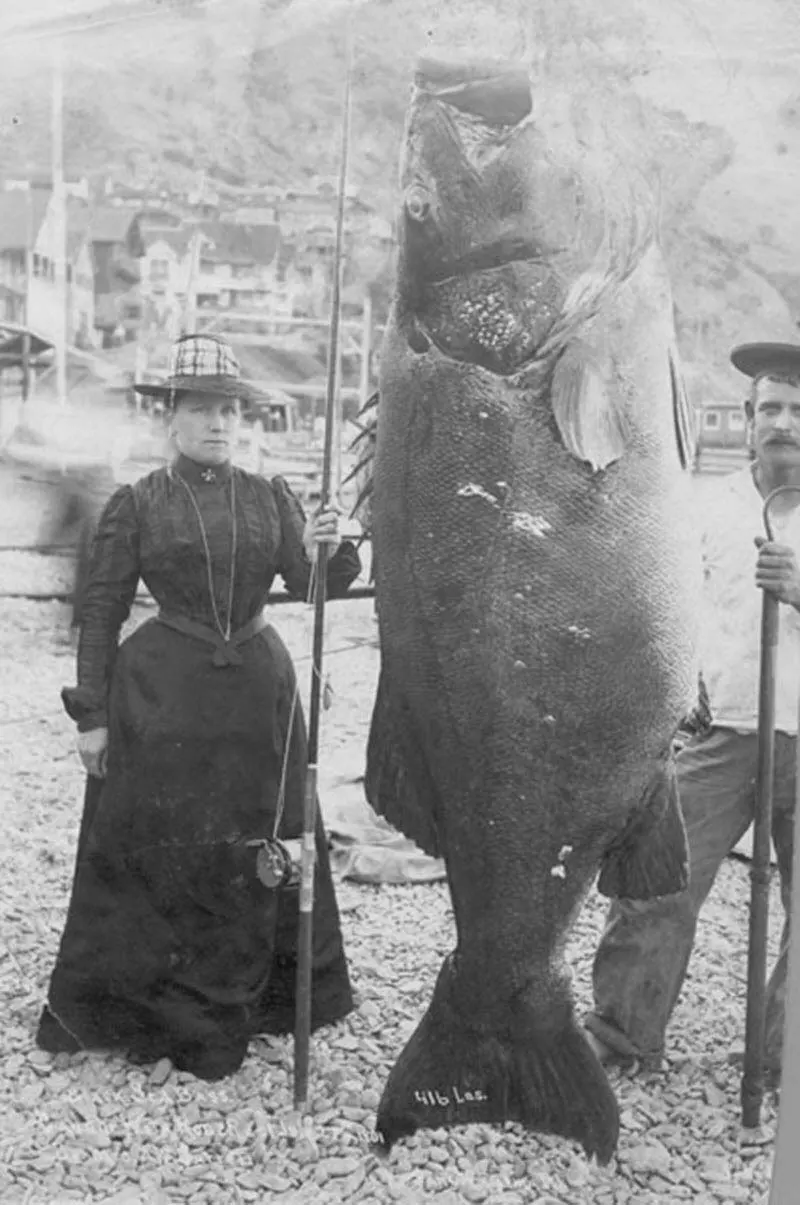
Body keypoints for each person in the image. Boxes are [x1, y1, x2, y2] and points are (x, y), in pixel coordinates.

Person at [36, 333, 362, 1080]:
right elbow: (100, 608)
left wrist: (326, 548)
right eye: (202, 411)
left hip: (258, 694)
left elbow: (319, 587)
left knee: (264, 843)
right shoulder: (137, 502)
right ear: (172, 420)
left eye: (229, 412)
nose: (219, 425)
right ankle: (154, 1004)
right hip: (162, 698)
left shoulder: (269, 496)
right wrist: (91, 715)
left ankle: (268, 995)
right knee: (164, 842)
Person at [584, 340, 800, 1085]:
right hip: (718, 734)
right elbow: (662, 615)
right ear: (747, 420)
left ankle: (781, 1058)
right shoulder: (707, 507)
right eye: (770, 407)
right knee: (656, 884)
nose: (785, 422)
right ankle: (622, 1035)